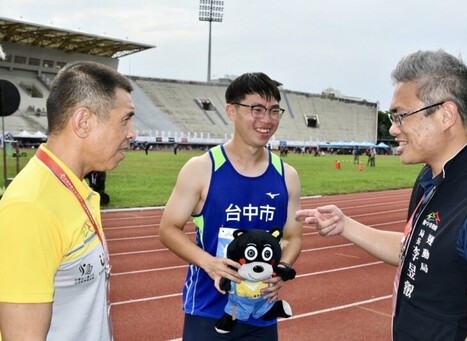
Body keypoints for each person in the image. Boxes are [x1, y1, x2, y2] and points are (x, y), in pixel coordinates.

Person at [296, 49, 467, 340]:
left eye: (400, 116)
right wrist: (345, 225)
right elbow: (417, 250)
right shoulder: (432, 176)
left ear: (446, 115)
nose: (393, 128)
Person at [159, 72, 303, 341]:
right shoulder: (202, 169)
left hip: (261, 312)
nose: (267, 120)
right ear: (231, 111)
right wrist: (209, 263)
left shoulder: (287, 176)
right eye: (256, 109)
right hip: (208, 311)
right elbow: (168, 228)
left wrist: (282, 269)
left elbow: (293, 237)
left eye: (274, 111)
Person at [0, 61, 136, 340]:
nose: (132, 132)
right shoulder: (32, 208)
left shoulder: (73, 187)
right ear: (83, 122)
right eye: (125, 119)